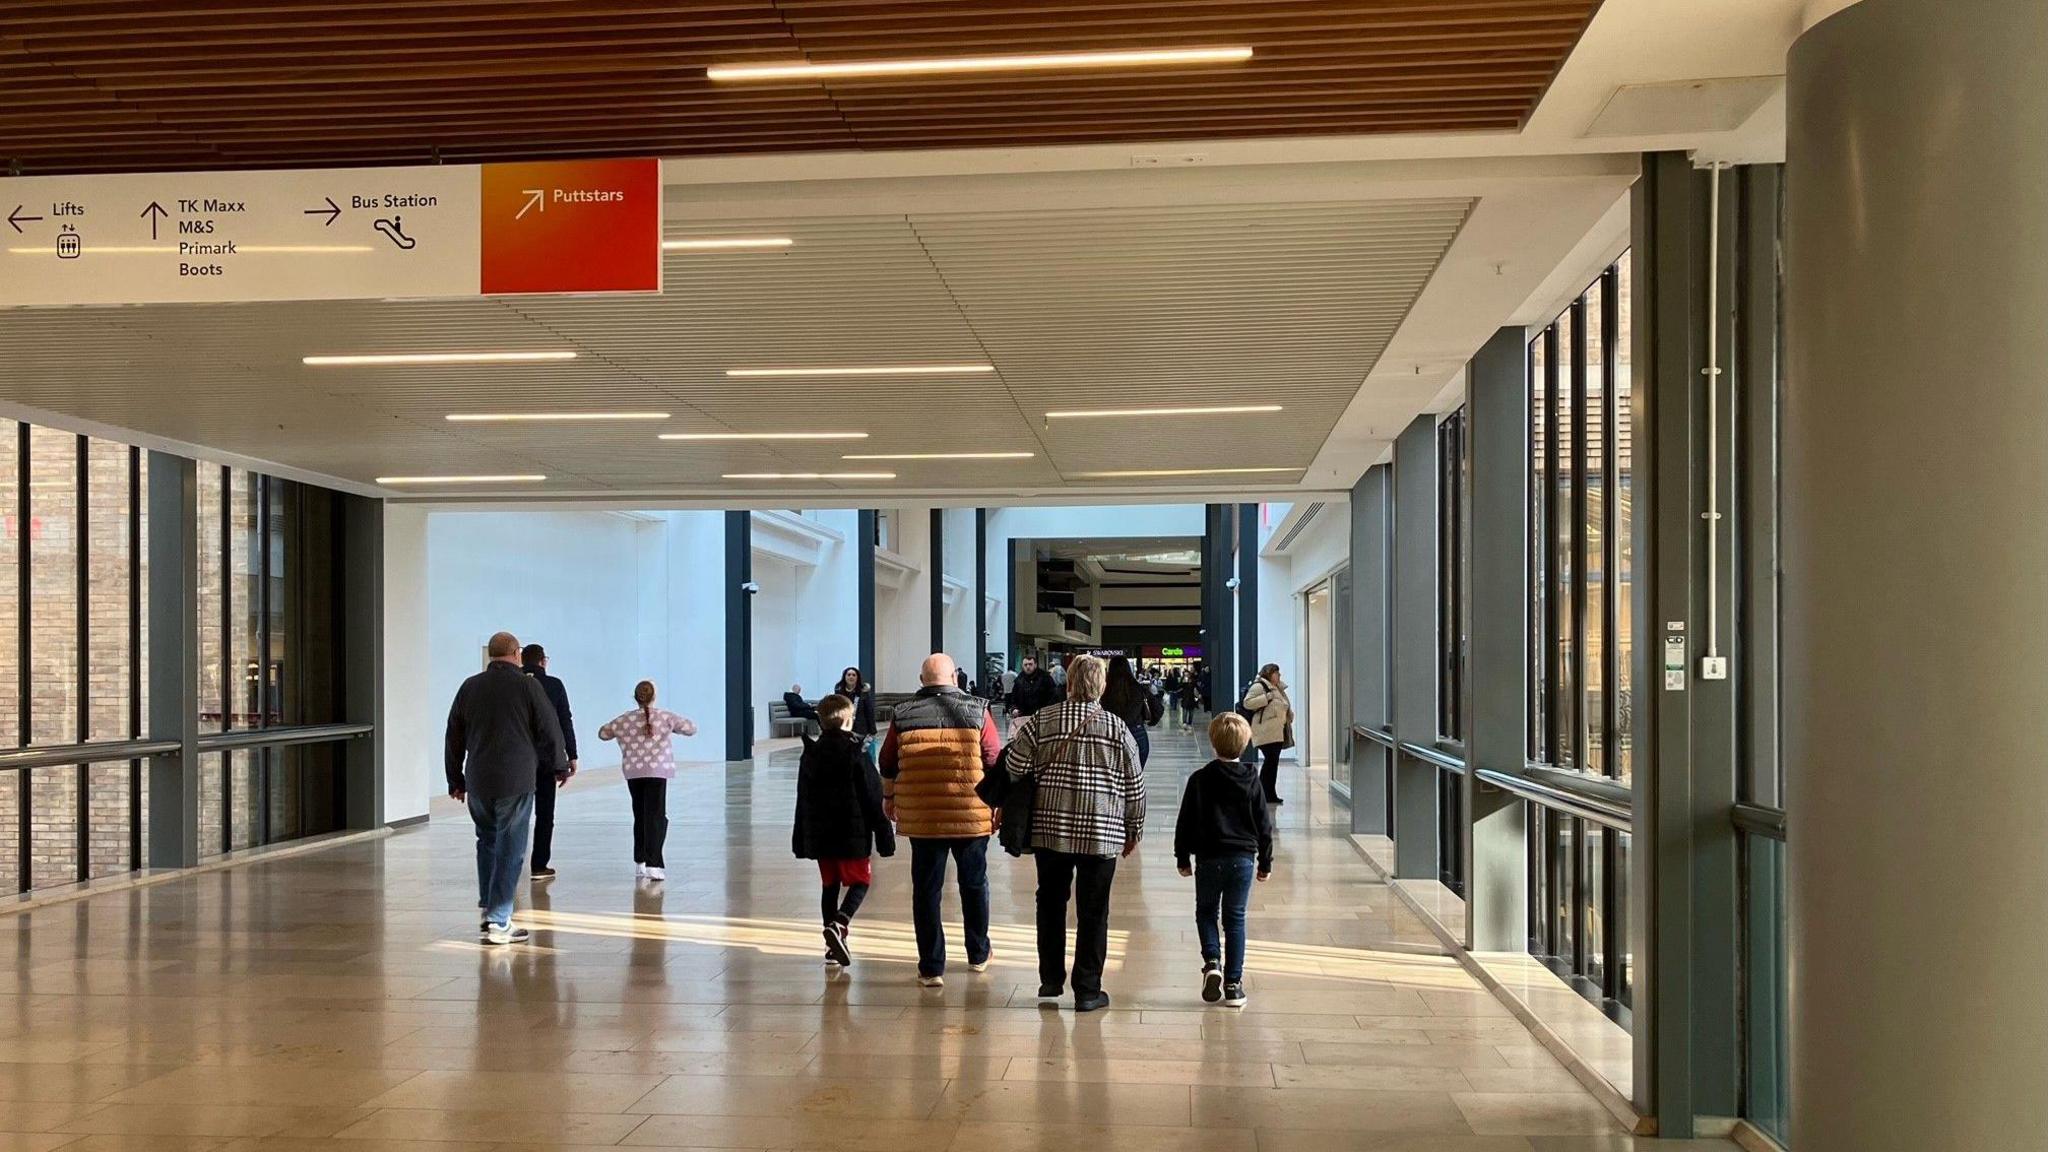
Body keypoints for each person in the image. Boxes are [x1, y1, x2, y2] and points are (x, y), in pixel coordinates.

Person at [1006, 654, 1144, 1013]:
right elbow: (1134, 786)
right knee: (1094, 911)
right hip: (1101, 831)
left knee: (1050, 902)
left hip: (1050, 830)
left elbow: (1014, 766)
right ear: (1102, 686)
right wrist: (1134, 828)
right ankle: (1087, 990)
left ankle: (1051, 978)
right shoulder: (1117, 728)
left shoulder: (1043, 720)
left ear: (1068, 683)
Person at [880, 653, 1001, 987]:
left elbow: (887, 760)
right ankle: (978, 954)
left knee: (927, 890)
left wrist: (889, 797)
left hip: (924, 818)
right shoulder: (978, 709)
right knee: (974, 885)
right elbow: (993, 758)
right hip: (971, 814)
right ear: (955, 679)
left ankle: (932, 966)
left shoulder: (902, 713)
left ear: (922, 681)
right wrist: (997, 802)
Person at [444, 631, 567, 945]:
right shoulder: (528, 685)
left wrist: (455, 779)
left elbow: (453, 735)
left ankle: (489, 912)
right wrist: (559, 764)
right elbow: (549, 726)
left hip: (479, 779)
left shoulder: (469, 687)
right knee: (511, 848)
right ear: (516, 653)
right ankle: (500, 921)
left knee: (486, 841)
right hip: (515, 779)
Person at [1175, 713, 1275, 1008]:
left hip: (1208, 858)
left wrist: (1183, 857)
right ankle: (1233, 984)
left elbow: (1185, 822)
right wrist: (1265, 863)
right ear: (1245, 744)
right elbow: (1263, 824)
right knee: (1235, 919)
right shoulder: (1252, 780)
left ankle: (1212, 961)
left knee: (1206, 912)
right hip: (1242, 859)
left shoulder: (1199, 779)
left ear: (1212, 742)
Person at [793, 693, 896, 969]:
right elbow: (873, 797)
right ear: (849, 721)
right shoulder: (857, 752)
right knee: (861, 882)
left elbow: (802, 799)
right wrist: (885, 836)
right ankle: (840, 924)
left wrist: (800, 838)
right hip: (853, 833)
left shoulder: (811, 753)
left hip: (820, 835)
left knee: (830, 886)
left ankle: (831, 948)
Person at [599, 680, 698, 881]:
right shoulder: (665, 717)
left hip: (633, 774)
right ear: (654, 697)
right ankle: (654, 864)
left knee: (641, 815)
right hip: (658, 772)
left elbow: (603, 733)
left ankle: (640, 861)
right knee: (656, 817)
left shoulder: (624, 719)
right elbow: (691, 728)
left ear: (636, 698)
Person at [520, 644, 577, 879]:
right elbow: (565, 720)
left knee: (517, 814)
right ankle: (539, 865)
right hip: (545, 759)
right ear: (544, 661)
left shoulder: (515, 683)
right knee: (545, 814)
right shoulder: (554, 685)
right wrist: (571, 755)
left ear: (521, 660)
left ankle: (512, 862)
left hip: (518, 760)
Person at [1241, 663, 1295, 805]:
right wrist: (1267, 697)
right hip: (1266, 731)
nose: (1279, 675)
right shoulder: (1260, 686)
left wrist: (1289, 716)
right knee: (1270, 762)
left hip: (1277, 730)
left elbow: (1283, 705)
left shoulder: (1278, 688)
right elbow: (1247, 703)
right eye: (1276, 673)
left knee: (1272, 763)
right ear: (1269, 674)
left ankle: (1269, 793)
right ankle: (1262, 793)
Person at [1100, 654, 1163, 765]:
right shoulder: (1138, 688)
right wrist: (1149, 721)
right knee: (1136, 774)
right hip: (1137, 732)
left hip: (1109, 734)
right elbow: (1158, 708)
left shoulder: (1104, 690)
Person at [834, 666, 878, 748]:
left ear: (857, 678)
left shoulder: (863, 693)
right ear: (844, 677)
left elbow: (869, 712)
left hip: (860, 730)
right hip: (843, 730)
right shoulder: (839, 694)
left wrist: (872, 731)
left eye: (854, 675)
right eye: (849, 675)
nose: (851, 677)